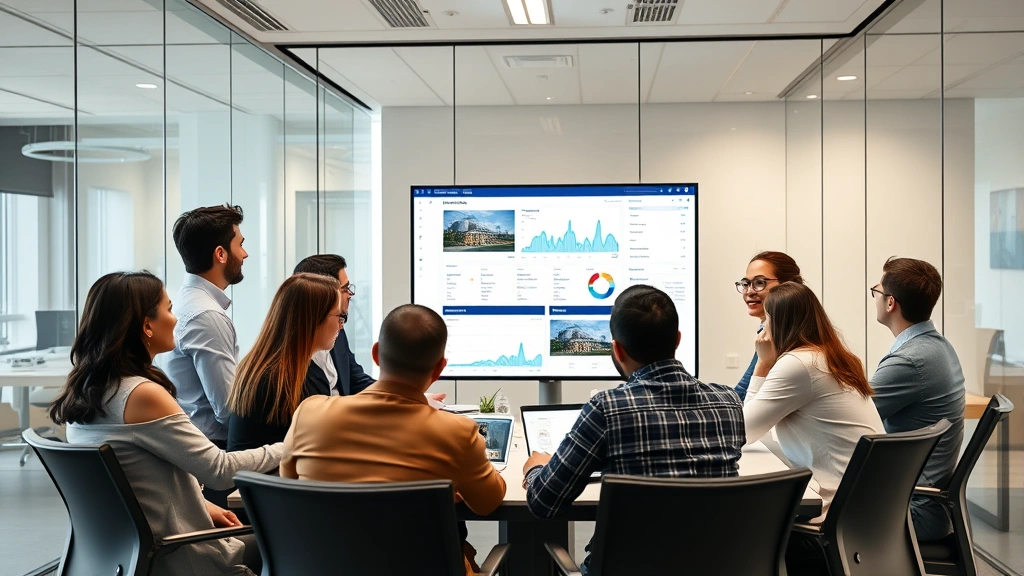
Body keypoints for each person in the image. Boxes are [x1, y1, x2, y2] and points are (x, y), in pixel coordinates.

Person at [50, 271, 281, 576]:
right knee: (301, 541)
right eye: (169, 309)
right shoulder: (141, 395)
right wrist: (290, 447)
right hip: (183, 560)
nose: (175, 319)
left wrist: (200, 506)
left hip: (131, 559)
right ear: (146, 325)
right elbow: (220, 471)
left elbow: (132, 483)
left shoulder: (88, 390)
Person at [523, 285, 745, 574]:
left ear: (616, 349)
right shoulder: (728, 402)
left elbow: (544, 503)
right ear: (677, 340)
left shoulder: (607, 408)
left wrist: (535, 469)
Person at [280, 304, 505, 576]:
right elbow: (487, 502)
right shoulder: (457, 433)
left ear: (376, 354)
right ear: (439, 368)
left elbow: (290, 490)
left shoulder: (310, 413)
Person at [871, 257, 965, 541]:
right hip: (920, 501)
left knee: (794, 522)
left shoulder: (911, 360)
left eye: (876, 290)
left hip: (912, 510)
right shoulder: (935, 347)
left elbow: (851, 413)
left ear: (890, 303)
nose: (874, 294)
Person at [292, 254, 446, 406]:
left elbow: (356, 380)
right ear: (321, 293)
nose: (351, 294)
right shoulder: (289, 365)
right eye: (345, 288)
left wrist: (408, 398)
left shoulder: (337, 330)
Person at [156, 204, 247, 445]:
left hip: (196, 446)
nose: (245, 254)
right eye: (240, 244)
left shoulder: (183, 303)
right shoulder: (206, 315)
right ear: (221, 254)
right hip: (213, 451)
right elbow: (228, 411)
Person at [226, 273, 343, 452]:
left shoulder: (261, 368)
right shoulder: (276, 380)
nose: (341, 325)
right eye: (339, 317)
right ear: (314, 320)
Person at [734, 251, 804, 401]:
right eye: (745, 284)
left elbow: (743, 397)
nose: (749, 291)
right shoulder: (775, 329)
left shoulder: (783, 334)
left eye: (760, 283)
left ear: (787, 286)